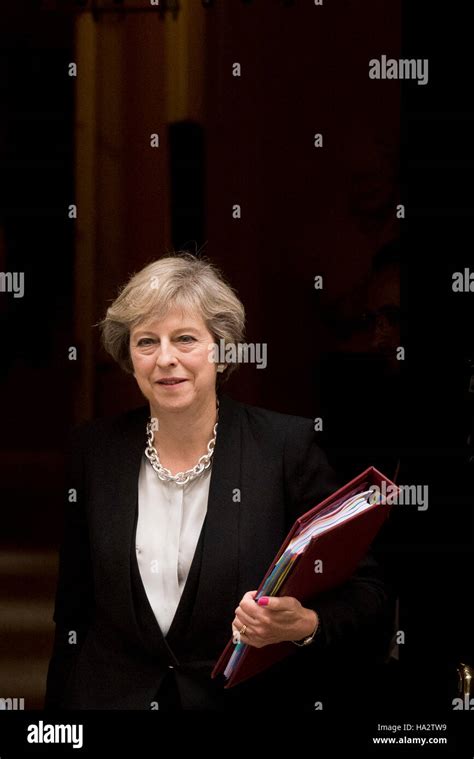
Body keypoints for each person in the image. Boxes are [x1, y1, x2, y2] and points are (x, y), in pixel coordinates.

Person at [45, 252, 395, 712]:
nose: (165, 359)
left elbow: (368, 595)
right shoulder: (94, 452)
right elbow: (73, 612)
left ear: (223, 349)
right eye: (146, 342)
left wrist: (304, 623)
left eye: (185, 339)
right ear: (129, 356)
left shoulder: (284, 447)